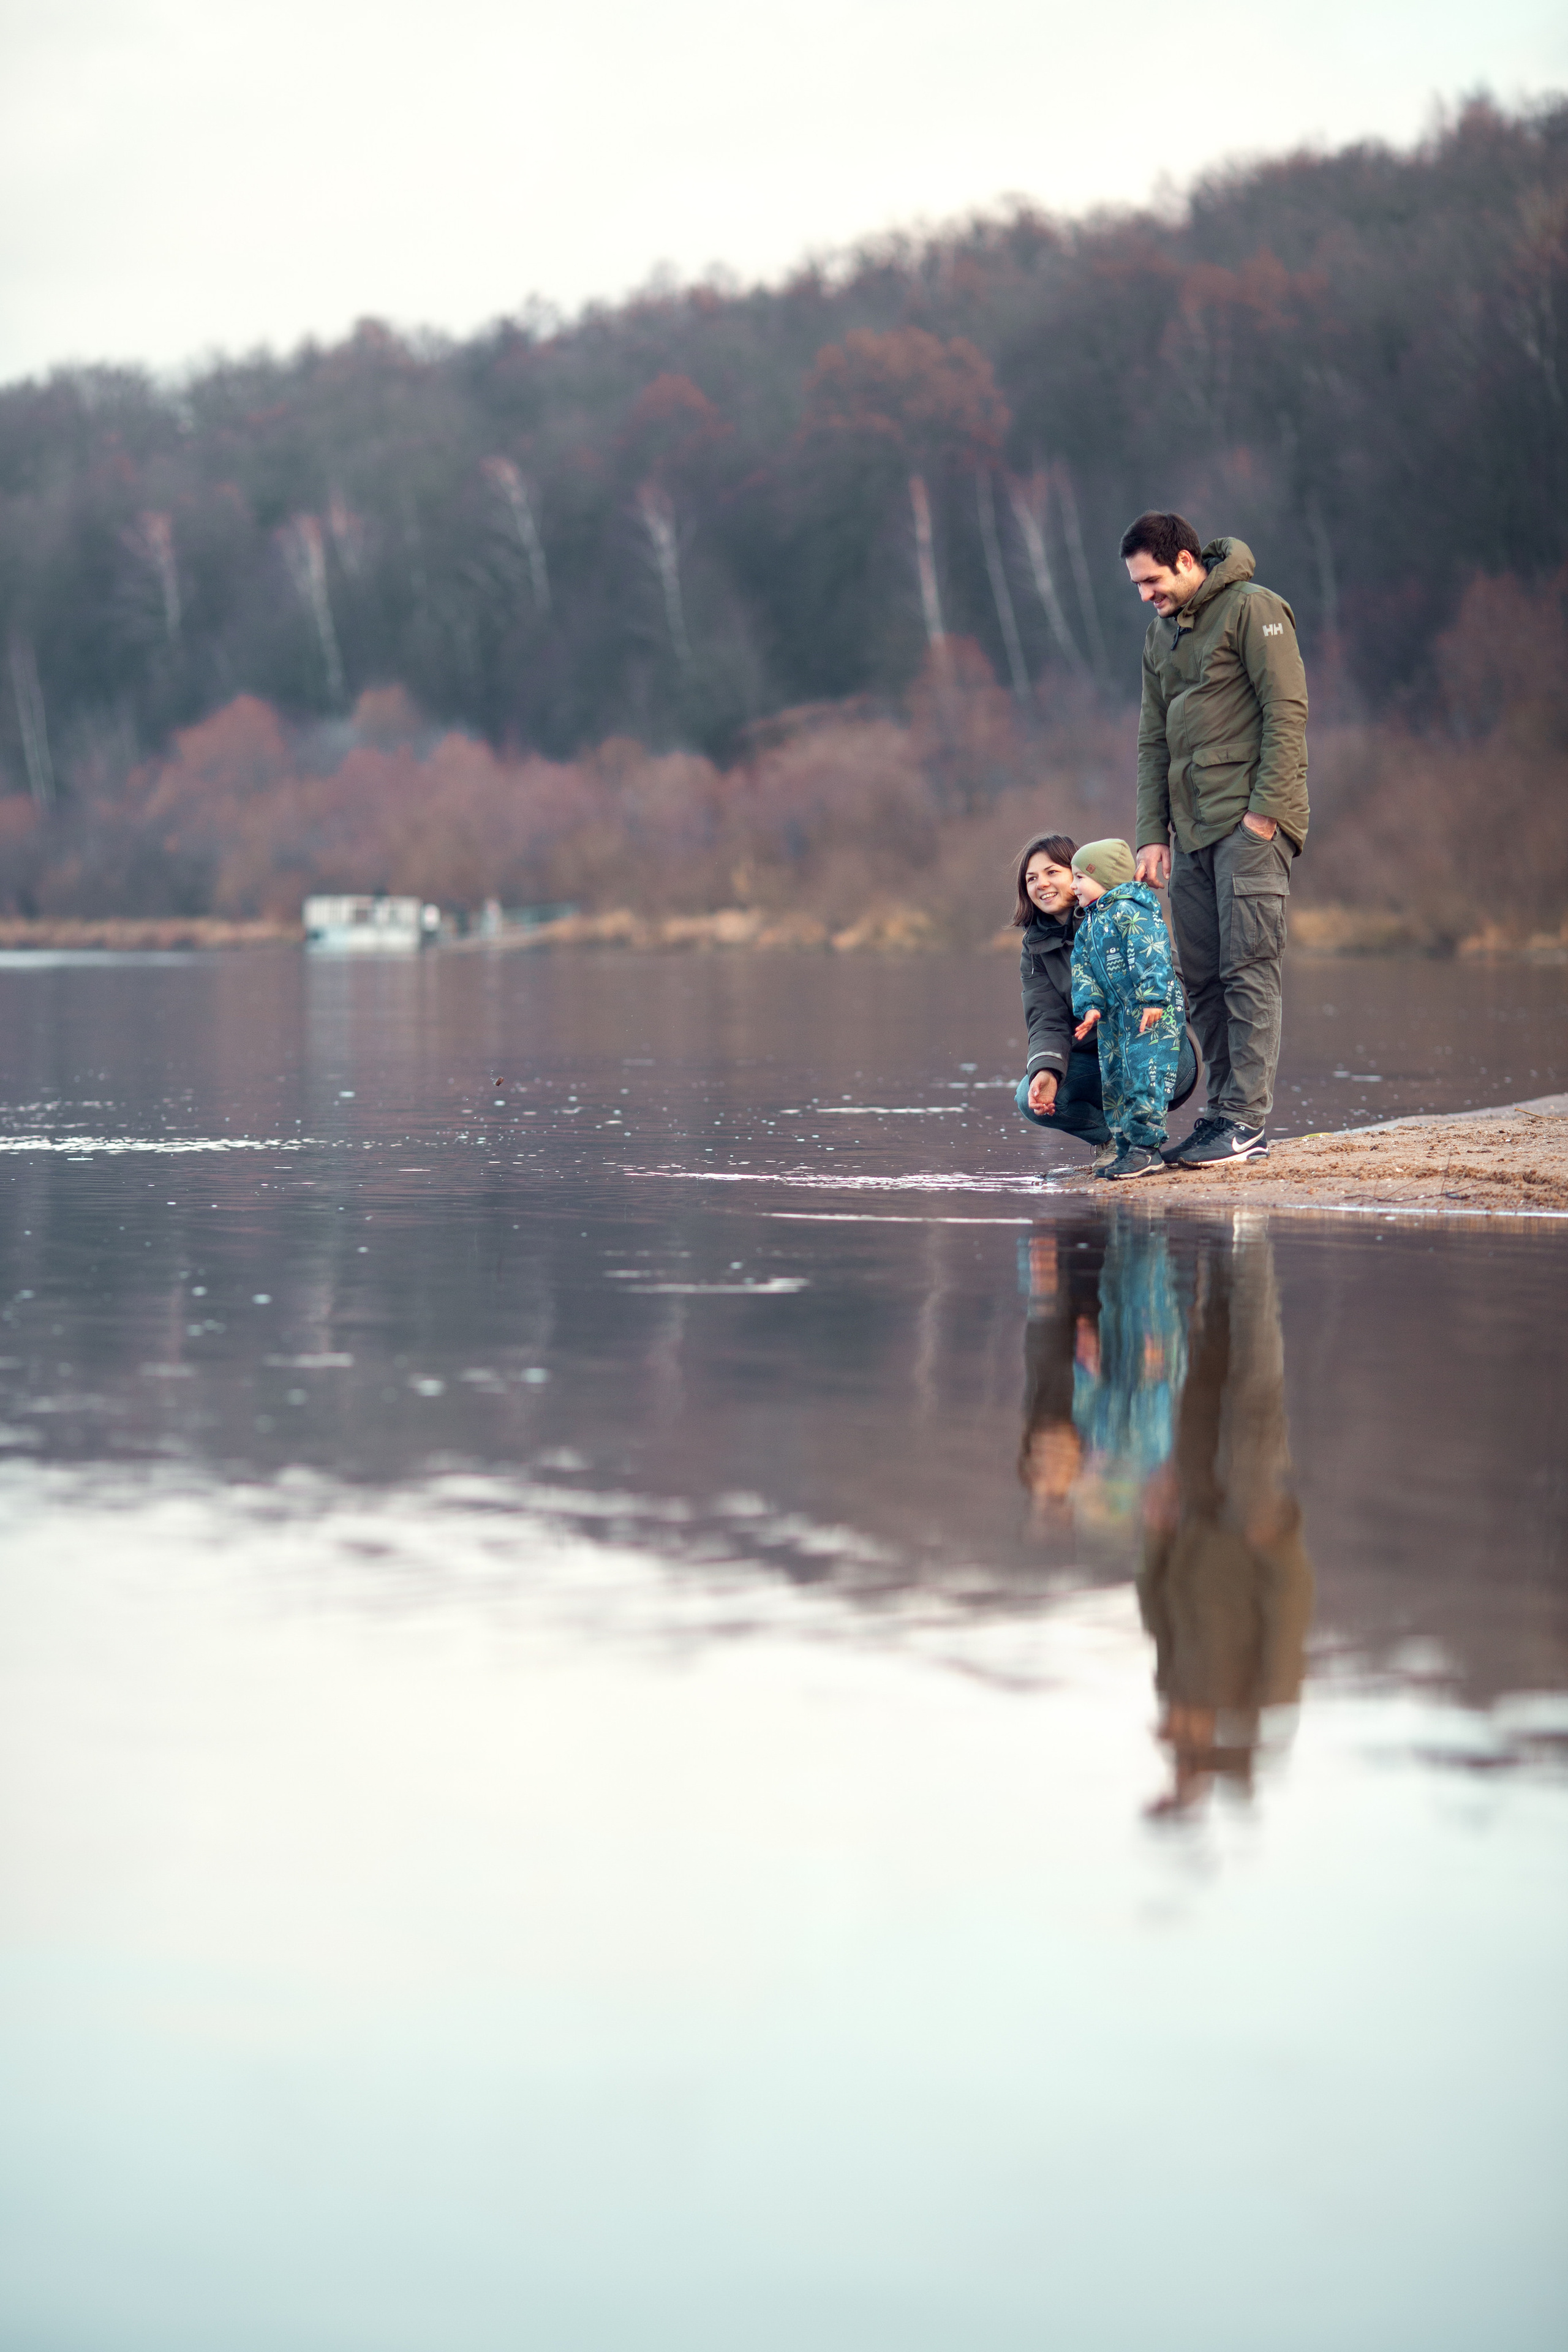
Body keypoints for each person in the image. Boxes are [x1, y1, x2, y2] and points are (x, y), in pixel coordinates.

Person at [1121, 512, 1309, 1165]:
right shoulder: (1159, 637)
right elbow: (1151, 741)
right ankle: (1219, 1116)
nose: (1145, 594)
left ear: (1183, 560)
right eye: (1138, 585)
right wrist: (1151, 834)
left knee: (1247, 968)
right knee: (1199, 977)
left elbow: (1287, 712)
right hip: (1190, 832)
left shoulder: (1255, 609)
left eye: (1150, 580)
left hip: (1248, 824)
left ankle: (1245, 1120)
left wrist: (1265, 815)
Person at [1011, 831, 1197, 1174]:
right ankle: (1116, 1143)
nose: (1041, 885)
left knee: (1138, 1065)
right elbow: (1046, 1019)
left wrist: (1140, 1005)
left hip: (1158, 1044)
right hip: (1100, 1056)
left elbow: (1168, 974)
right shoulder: (1035, 948)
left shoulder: (1122, 914)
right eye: (1031, 878)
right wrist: (1047, 1070)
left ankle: (1144, 1144)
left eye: (1053, 872)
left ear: (1080, 873)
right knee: (1027, 1097)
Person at [1068, 838, 1187, 1180]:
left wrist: (1153, 998)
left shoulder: (1132, 909)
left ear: (1103, 878)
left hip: (1151, 1015)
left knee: (1145, 1074)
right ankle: (1125, 1148)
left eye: (1080, 877)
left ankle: (1146, 1149)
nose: (1073, 886)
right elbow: (1083, 969)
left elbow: (1153, 952)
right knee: (1115, 1080)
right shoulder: (1089, 924)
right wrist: (1090, 1007)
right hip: (1114, 1021)